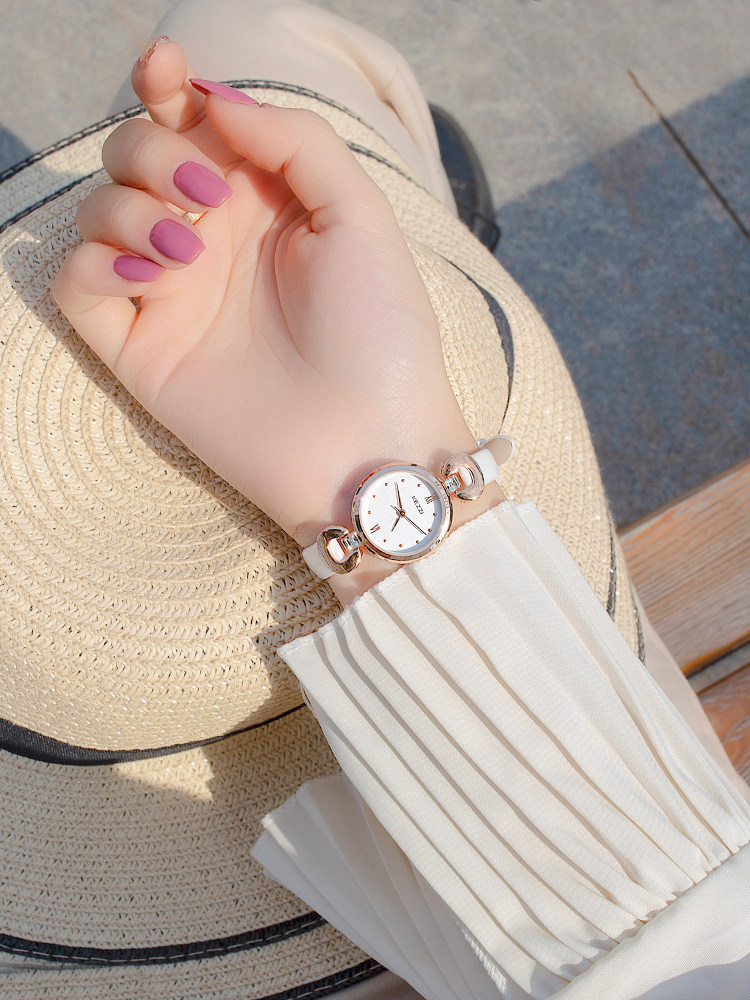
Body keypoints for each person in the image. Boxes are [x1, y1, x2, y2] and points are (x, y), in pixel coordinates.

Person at [1, 2, 748, 998]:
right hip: (581, 788)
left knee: (232, 29)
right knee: (247, 43)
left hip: (577, 820)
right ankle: (439, 200)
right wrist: (376, 471)